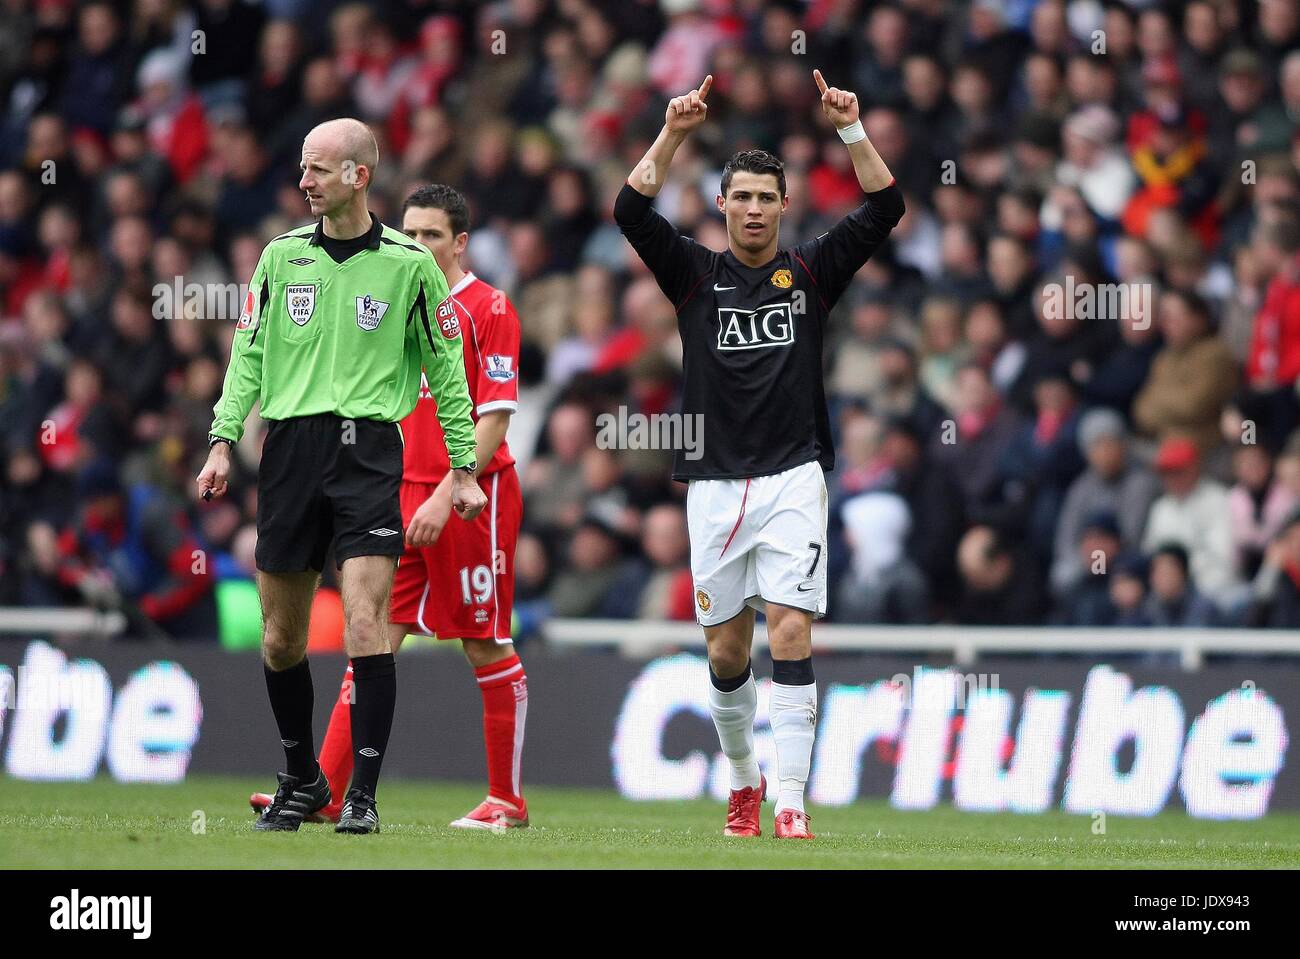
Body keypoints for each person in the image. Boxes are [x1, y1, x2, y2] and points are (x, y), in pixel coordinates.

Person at [613, 71, 903, 839]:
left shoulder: (809, 272)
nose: (751, 208)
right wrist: (673, 132)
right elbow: (629, 209)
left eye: (764, 198)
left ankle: (793, 799)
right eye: (739, 195)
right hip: (713, 484)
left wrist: (850, 128)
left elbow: (886, 207)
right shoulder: (694, 276)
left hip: (792, 477)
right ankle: (745, 776)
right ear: (721, 204)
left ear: (784, 207)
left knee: (792, 632)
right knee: (726, 650)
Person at [197, 119, 486, 835]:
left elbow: (446, 371)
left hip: (367, 452)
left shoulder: (408, 265)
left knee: (366, 622)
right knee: (279, 638)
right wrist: (222, 441)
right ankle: (300, 776)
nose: (304, 182)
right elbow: (249, 357)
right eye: (302, 168)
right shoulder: (278, 258)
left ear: (359, 176)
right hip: (290, 450)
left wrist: (463, 467)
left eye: (319, 170)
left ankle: (361, 793)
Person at [247, 184, 529, 831]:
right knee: (369, 636)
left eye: (433, 235)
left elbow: (494, 418)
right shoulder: (396, 286)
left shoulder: (490, 307)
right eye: (411, 231)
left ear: (459, 243)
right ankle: (323, 788)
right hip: (397, 489)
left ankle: (506, 800)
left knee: (484, 641)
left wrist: (444, 488)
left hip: (467, 497)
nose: (419, 244)